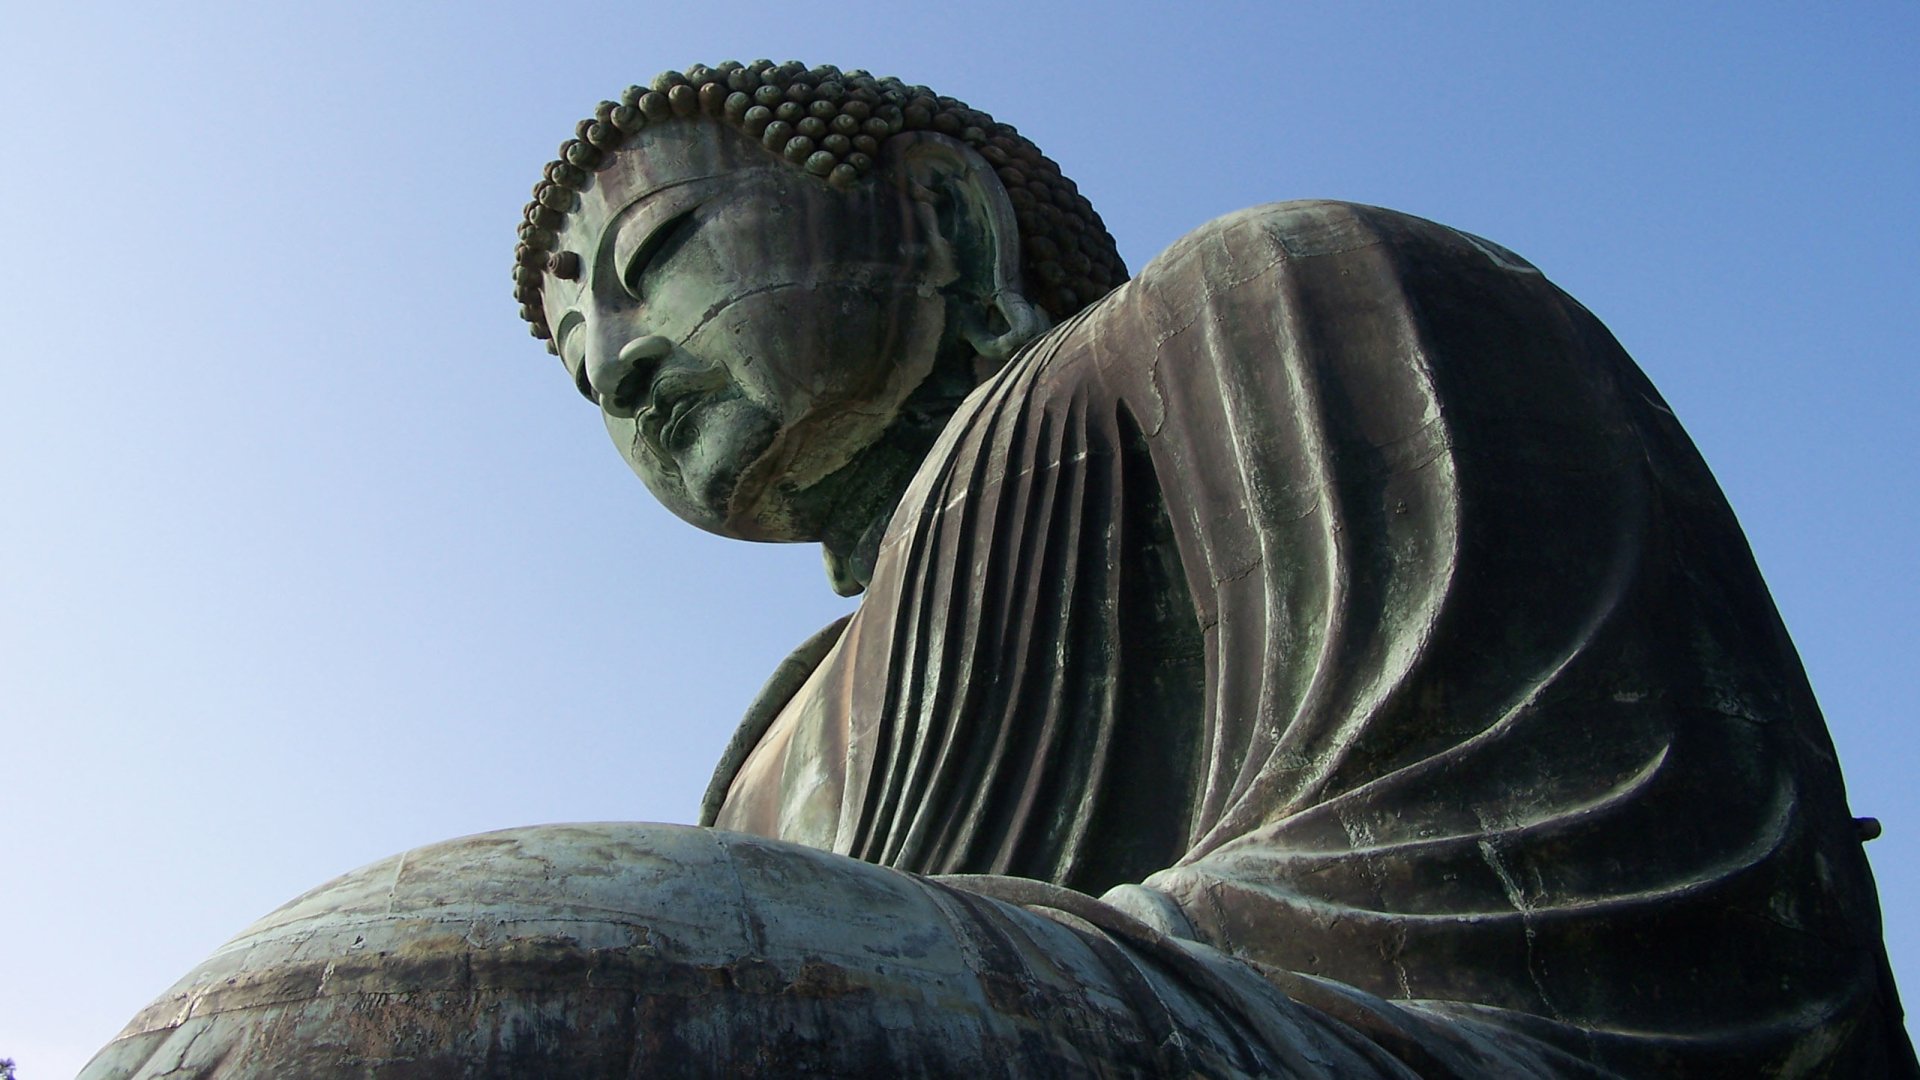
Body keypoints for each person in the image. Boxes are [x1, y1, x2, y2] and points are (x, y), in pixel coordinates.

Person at [83, 61, 1915, 1078]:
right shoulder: (768, 754)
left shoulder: (1270, 303)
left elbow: (1639, 935)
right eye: (577, 366)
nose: (620, 366)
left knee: (430, 1006)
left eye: (656, 258)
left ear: (942, 218)